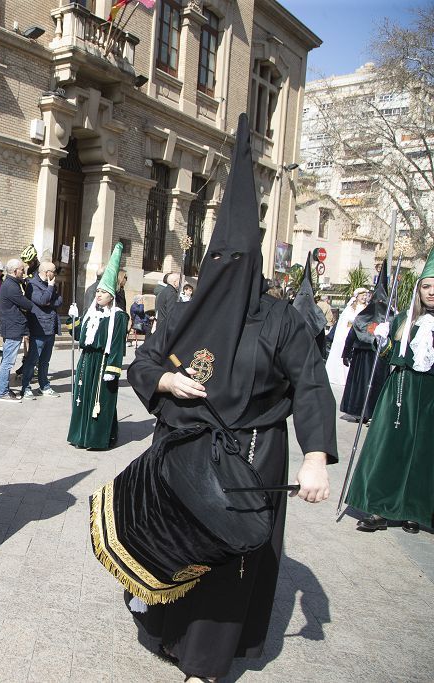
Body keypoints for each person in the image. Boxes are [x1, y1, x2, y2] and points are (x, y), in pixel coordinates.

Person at [125, 115, 336, 681]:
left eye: (234, 267)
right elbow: (142, 362)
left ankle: (206, 662)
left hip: (248, 460)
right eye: (215, 263)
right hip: (182, 452)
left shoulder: (281, 320)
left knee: (226, 565)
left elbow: (312, 384)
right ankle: (168, 634)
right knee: (177, 549)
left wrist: (315, 455)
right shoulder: (183, 311)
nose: (223, 275)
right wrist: (165, 381)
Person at [346, 246, 434, 534]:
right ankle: (380, 508)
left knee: (424, 453)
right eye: (427, 286)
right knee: (389, 448)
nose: (431, 292)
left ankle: (414, 510)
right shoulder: (402, 322)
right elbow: (384, 359)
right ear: (418, 290)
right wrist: (381, 340)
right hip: (401, 391)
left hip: (431, 396)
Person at [68, 243, 128, 449]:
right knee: (82, 398)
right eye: (98, 291)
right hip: (87, 360)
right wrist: (73, 318)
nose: (98, 294)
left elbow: (117, 344)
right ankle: (79, 435)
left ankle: (97, 437)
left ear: (112, 295)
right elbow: (78, 336)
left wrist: (113, 368)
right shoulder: (91, 313)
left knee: (100, 399)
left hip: (103, 362)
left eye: (103, 292)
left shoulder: (118, 317)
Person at [20, 261, 63, 398]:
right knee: (32, 359)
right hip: (39, 327)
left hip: (50, 327)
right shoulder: (32, 285)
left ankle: (44, 386)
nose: (55, 274)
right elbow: (42, 300)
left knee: (45, 360)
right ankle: (25, 387)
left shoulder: (51, 284)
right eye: (54, 272)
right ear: (46, 272)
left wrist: (50, 299)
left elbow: (59, 301)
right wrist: (50, 289)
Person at [0, 258, 34, 402]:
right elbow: (26, 304)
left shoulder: (12, 284)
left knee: (6, 360)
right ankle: (3, 392)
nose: (23, 272)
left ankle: (4, 388)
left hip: (12, 326)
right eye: (21, 270)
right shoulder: (11, 286)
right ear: (14, 271)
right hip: (13, 328)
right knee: (8, 362)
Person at [325, 287, 369, 385]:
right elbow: (345, 322)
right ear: (357, 296)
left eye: (366, 296)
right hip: (348, 333)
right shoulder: (350, 308)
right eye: (362, 295)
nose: (364, 297)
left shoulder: (367, 308)